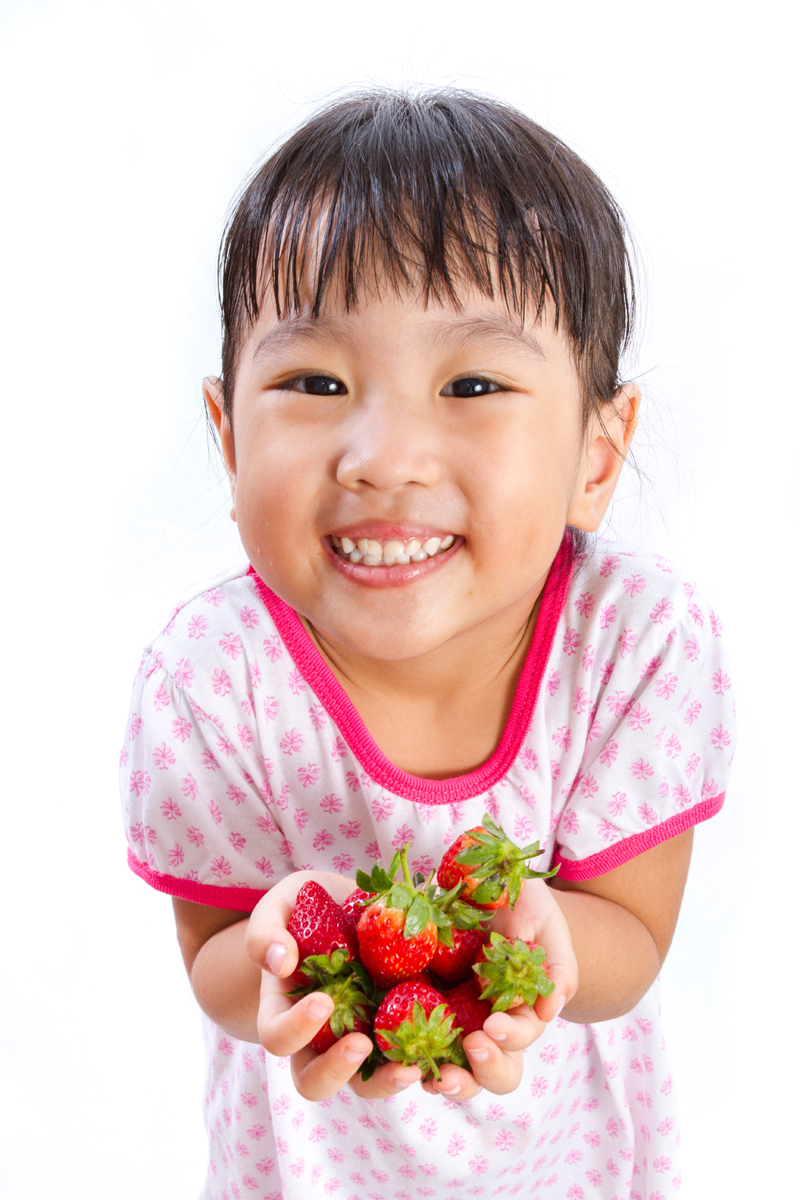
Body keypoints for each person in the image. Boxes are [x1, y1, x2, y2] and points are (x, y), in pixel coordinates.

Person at [119, 88, 736, 1200]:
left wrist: (543, 942)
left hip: (572, 1172)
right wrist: (270, 948)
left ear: (597, 454)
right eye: (314, 382)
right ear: (226, 436)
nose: (384, 456)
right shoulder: (209, 677)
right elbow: (213, 962)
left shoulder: (633, 641)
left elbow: (631, 944)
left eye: (471, 384)